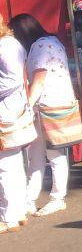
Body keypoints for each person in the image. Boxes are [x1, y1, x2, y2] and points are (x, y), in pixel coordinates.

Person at [10, 15, 74, 218]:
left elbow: (38, 81)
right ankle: (31, 198)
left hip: (47, 107)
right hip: (51, 106)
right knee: (41, 154)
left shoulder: (40, 47)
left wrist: (24, 107)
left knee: (50, 154)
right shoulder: (52, 41)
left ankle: (56, 198)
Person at [0, 14, 30, 234]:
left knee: (6, 166)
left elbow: (12, 79)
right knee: (13, 165)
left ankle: (8, 216)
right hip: (12, 110)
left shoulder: (6, 46)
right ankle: (17, 212)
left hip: (7, 113)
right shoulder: (9, 44)